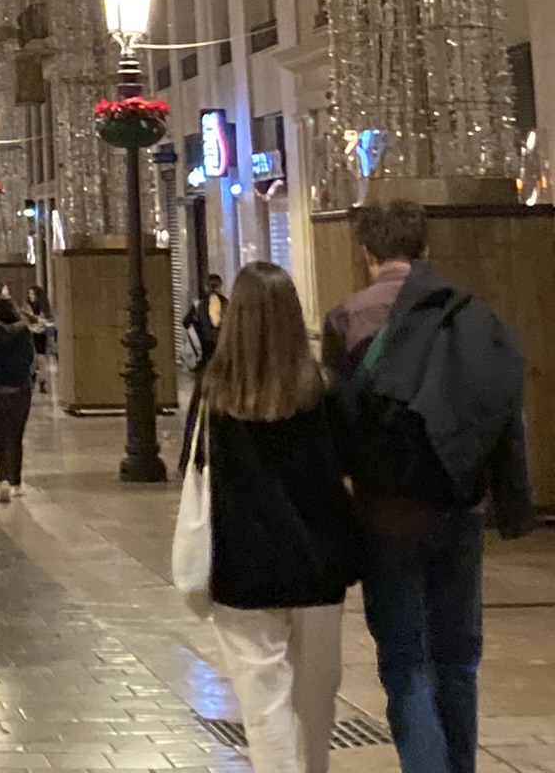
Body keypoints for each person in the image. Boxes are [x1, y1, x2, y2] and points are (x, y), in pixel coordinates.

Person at [322, 202, 535, 773]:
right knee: (458, 659)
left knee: (406, 661)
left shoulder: (348, 320)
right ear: (424, 248)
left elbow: (337, 428)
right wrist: (513, 503)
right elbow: (503, 412)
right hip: (460, 508)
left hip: (386, 516)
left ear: (365, 251)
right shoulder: (472, 316)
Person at [197, 262, 357, 773]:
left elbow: (199, 478)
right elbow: (346, 470)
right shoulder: (322, 393)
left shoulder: (216, 400)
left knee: (264, 710)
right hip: (316, 567)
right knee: (316, 704)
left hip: (244, 571)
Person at [0, 292, 36, 502]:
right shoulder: (23, 332)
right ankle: (16, 482)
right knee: (15, 437)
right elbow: (30, 358)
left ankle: (2, 478)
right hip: (19, 389)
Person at [180, 273, 227, 472]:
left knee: (199, 409)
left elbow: (186, 322)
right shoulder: (226, 304)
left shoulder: (198, 305)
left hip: (205, 364)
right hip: (220, 363)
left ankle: (194, 452)